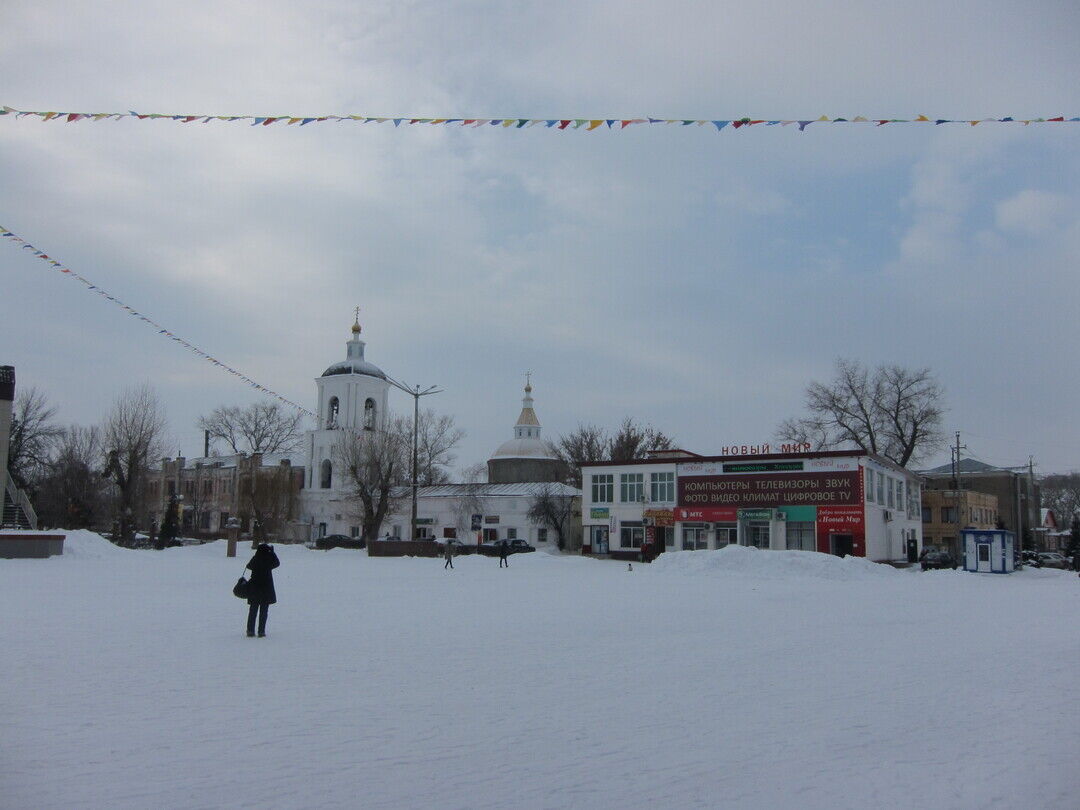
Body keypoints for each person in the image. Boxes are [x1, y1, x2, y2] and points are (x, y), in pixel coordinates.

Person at [245, 543, 279, 638]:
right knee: (264, 611)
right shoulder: (268, 559)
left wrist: (255, 556)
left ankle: (250, 630)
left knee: (253, 610)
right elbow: (277, 563)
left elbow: (248, 566)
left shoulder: (256, 559)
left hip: (254, 588)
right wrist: (272, 553)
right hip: (266, 588)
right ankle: (261, 631)